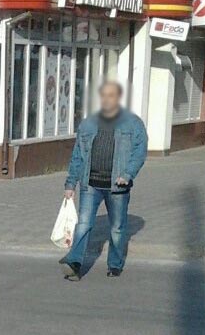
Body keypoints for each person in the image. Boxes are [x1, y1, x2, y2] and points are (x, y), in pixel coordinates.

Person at [59, 80, 148, 281]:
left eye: (111, 95)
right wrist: (71, 183)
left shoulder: (133, 123)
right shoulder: (88, 123)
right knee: (83, 224)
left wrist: (127, 174)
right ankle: (74, 263)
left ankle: (115, 264)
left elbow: (139, 152)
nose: (107, 99)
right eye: (104, 95)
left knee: (117, 228)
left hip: (117, 186)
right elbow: (78, 155)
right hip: (90, 183)